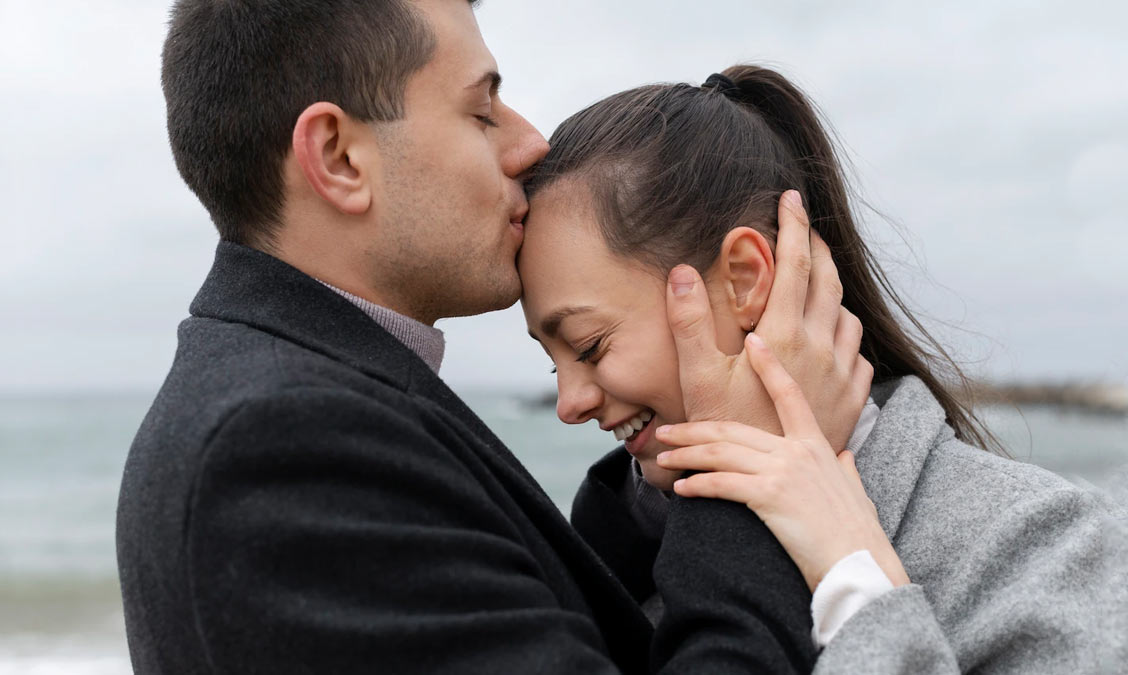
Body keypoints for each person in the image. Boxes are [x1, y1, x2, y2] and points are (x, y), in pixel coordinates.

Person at [116, 2, 881, 673]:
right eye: (482, 113)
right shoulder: (277, 446)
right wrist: (747, 465)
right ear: (339, 158)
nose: (530, 144)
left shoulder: (309, 396)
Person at [519, 64, 1128, 673]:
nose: (570, 403)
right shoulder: (606, 558)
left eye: (590, 345)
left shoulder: (1040, 543)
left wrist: (856, 589)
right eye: (553, 367)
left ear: (744, 279)